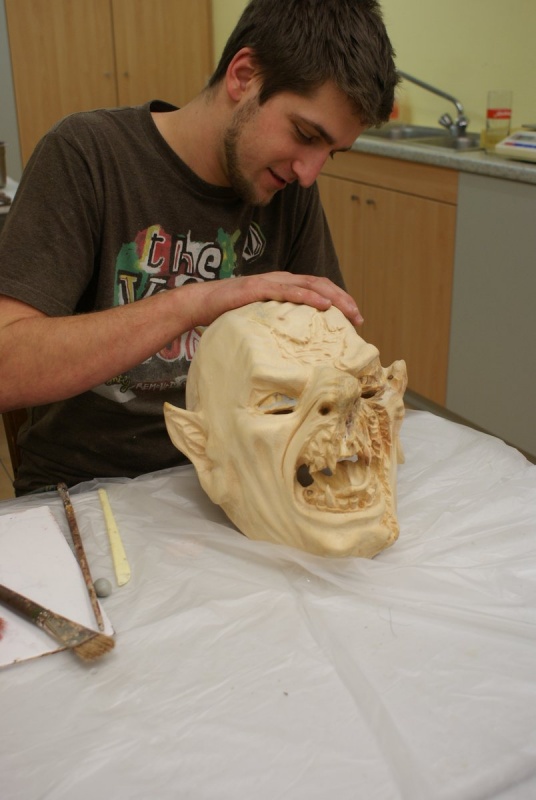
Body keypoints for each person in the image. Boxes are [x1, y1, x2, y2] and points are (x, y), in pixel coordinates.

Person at [0, 0, 397, 495]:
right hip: (89, 488)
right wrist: (198, 301)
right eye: (304, 134)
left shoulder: (290, 191)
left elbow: (328, 363)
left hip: (240, 483)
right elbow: (7, 366)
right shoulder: (88, 154)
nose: (309, 172)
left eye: (330, 153)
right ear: (243, 76)